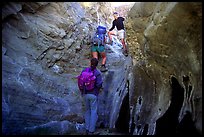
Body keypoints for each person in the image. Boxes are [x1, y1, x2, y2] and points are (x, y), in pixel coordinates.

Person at [81, 58, 103, 135]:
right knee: (93, 112)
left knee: (87, 111)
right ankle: (91, 130)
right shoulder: (97, 73)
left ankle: (87, 129)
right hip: (93, 94)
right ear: (97, 64)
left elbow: (81, 81)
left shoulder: (84, 71)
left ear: (90, 63)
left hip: (85, 94)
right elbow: (99, 84)